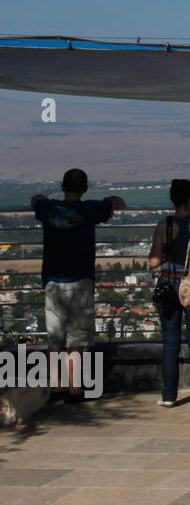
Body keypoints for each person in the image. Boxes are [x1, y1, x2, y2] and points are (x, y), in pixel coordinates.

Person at [30, 169, 126, 400]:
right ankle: (75, 388)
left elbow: (35, 200)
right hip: (80, 281)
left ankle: (56, 386)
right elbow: (117, 202)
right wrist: (105, 201)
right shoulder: (90, 209)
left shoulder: (48, 209)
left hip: (53, 282)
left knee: (55, 339)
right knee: (77, 341)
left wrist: (44, 199)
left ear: (62, 187)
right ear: (85, 188)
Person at [148, 179, 190, 407]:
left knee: (170, 340)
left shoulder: (164, 225)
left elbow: (154, 261)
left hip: (169, 283)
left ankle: (168, 395)